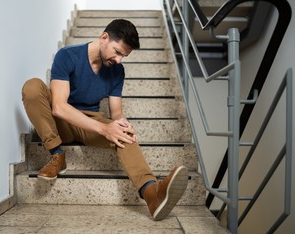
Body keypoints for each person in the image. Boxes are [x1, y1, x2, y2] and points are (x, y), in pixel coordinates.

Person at [22, 19, 188, 221]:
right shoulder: (68, 55)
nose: (119, 60)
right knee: (32, 86)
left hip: (91, 121)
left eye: (124, 56)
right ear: (104, 38)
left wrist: (124, 125)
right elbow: (58, 107)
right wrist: (104, 129)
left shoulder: (117, 71)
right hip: (62, 122)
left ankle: (152, 196)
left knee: (123, 133)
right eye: (117, 52)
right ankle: (57, 154)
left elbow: (116, 113)